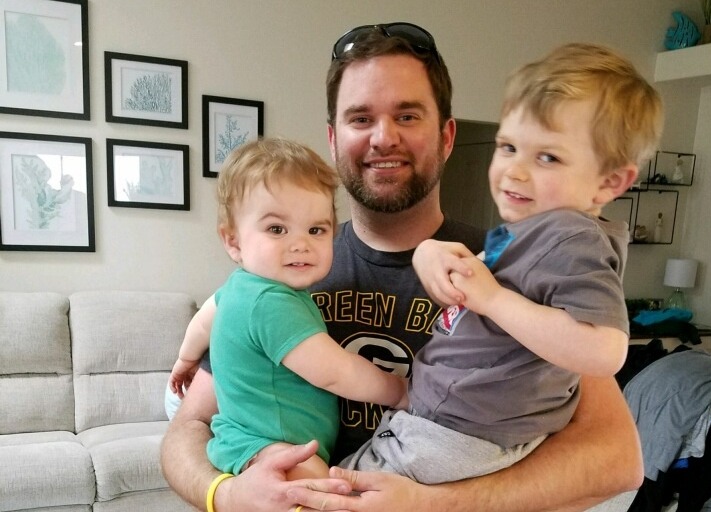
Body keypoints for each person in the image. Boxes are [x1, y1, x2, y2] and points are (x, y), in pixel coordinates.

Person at [161, 22, 644, 512]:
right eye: (360, 118)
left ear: (447, 136)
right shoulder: (281, 270)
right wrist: (226, 494)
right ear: (334, 139)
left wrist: (435, 504)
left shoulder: (510, 265)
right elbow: (190, 427)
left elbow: (616, 459)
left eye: (407, 116)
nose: (383, 137)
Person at [342, 42, 663, 484]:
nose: (515, 171)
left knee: (337, 493)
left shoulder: (573, 236)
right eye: (508, 147)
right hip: (435, 420)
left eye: (548, 157)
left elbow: (605, 351)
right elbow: (481, 292)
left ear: (610, 182)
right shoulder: (530, 235)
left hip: (456, 435)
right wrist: (430, 254)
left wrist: (492, 299)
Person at [168, 137, 407, 479]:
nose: (300, 244)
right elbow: (336, 372)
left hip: (246, 440)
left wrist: (185, 359)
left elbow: (202, 322)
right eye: (277, 229)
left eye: (316, 229)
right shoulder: (271, 303)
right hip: (272, 447)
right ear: (233, 241)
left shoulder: (238, 288)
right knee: (314, 487)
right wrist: (399, 391)